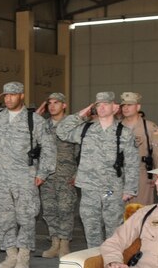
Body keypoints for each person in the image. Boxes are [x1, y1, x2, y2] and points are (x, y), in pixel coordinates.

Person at [0, 82, 56, 268]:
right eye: (6, 95)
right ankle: (10, 255)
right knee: (4, 218)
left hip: (24, 177)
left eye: (13, 95)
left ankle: (23, 256)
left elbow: (49, 148)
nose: (8, 98)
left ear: (21, 96)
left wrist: (43, 173)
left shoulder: (35, 120)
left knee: (26, 218)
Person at [56, 92, 139, 248]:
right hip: (89, 188)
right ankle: (94, 258)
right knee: (90, 224)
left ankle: (112, 260)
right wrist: (83, 113)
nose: (101, 108)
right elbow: (62, 131)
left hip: (111, 189)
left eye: (105, 104)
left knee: (113, 224)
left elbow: (132, 163)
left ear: (114, 107)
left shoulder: (124, 133)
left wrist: (130, 189)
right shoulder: (86, 129)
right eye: (98, 105)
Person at [37, 92, 77, 258]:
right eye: (50, 103)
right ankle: (54, 243)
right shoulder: (42, 125)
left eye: (56, 103)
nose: (52, 106)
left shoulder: (72, 125)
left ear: (64, 105)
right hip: (47, 175)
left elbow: (80, 152)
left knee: (66, 208)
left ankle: (64, 243)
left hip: (66, 174)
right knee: (49, 209)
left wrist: (77, 173)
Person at [120, 92, 158, 206]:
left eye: (129, 105)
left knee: (141, 210)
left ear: (138, 107)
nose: (126, 108)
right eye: (123, 105)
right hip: (119, 174)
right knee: (119, 214)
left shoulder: (150, 128)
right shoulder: (116, 128)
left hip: (141, 175)